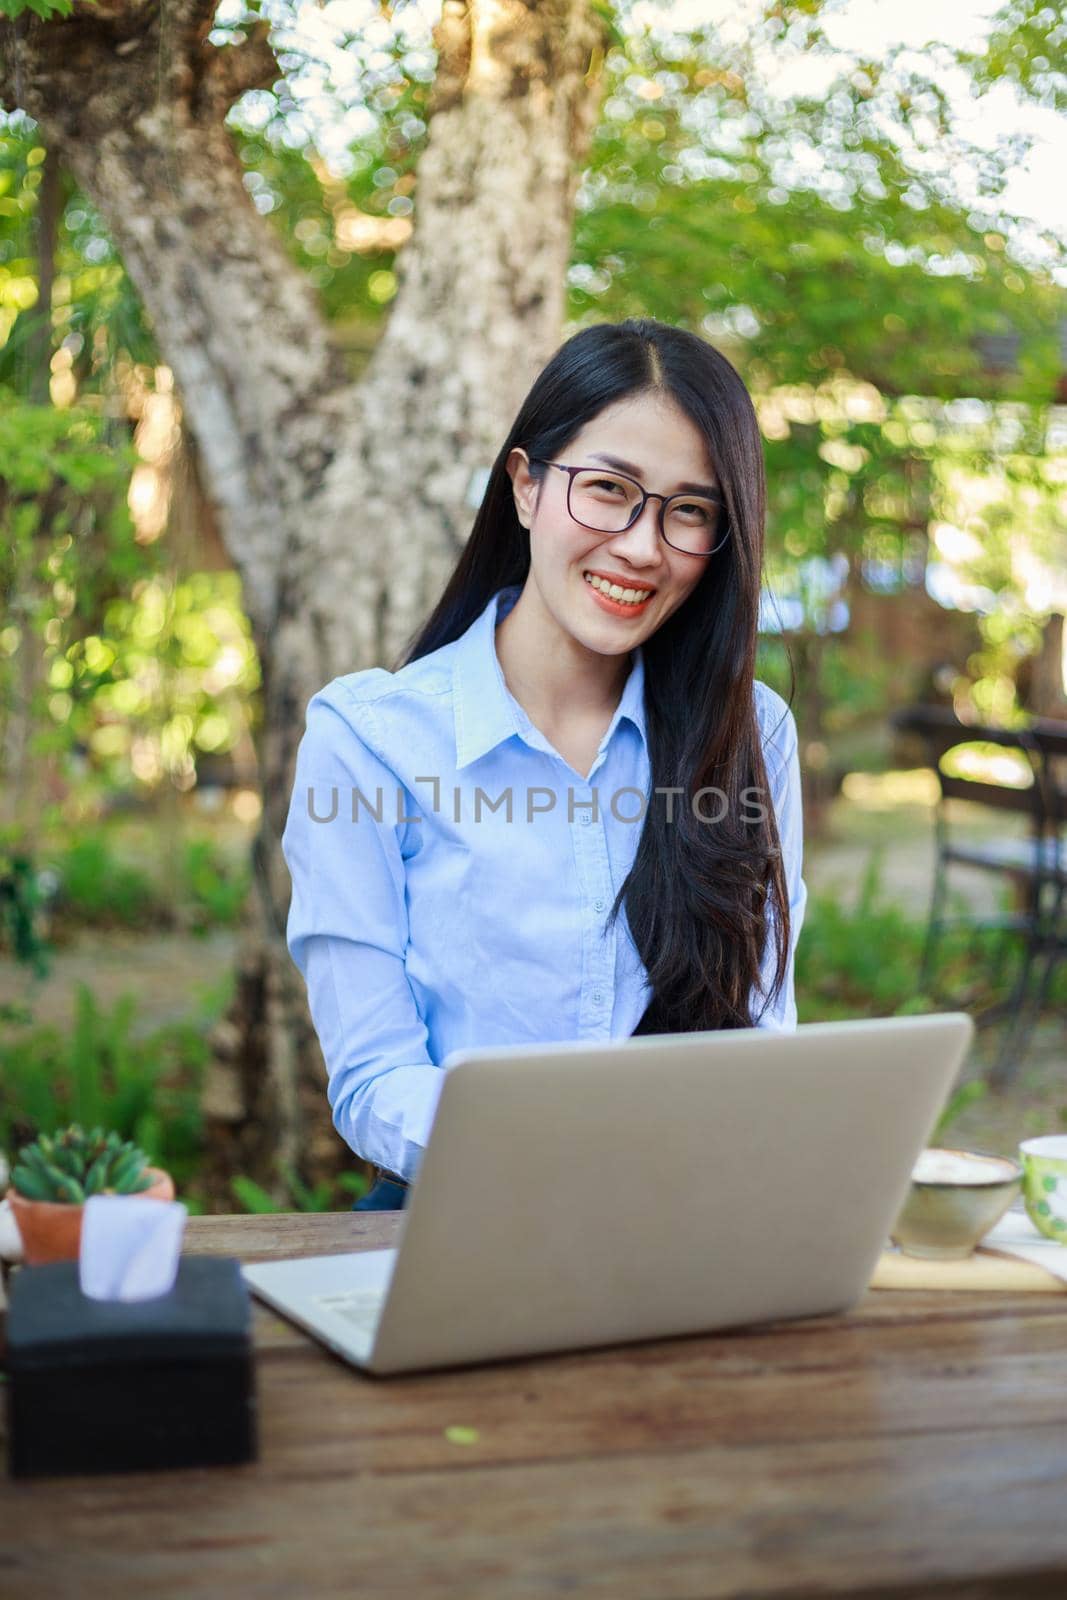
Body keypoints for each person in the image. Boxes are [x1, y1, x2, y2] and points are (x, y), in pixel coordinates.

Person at [281, 317, 806, 1212]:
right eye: (608, 489)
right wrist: (569, 1155)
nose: (643, 547)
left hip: (684, 1218)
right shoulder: (369, 741)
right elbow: (374, 1081)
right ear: (525, 486)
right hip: (456, 1214)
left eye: (689, 510)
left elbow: (760, 1033)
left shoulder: (751, 733)